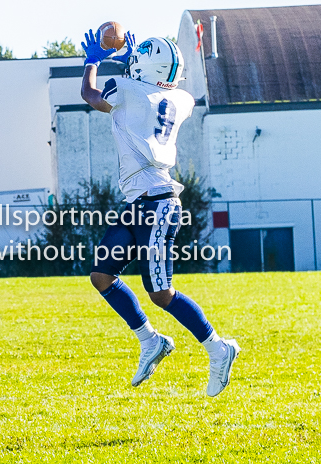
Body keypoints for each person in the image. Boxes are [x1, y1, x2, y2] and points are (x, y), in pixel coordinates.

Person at [80, 30, 240, 397]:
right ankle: (150, 340)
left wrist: (92, 61)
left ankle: (219, 348)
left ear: (143, 68)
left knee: (161, 293)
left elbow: (91, 95)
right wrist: (134, 62)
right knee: (102, 275)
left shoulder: (127, 90)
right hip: (139, 202)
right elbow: (153, 87)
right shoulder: (180, 98)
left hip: (156, 204)